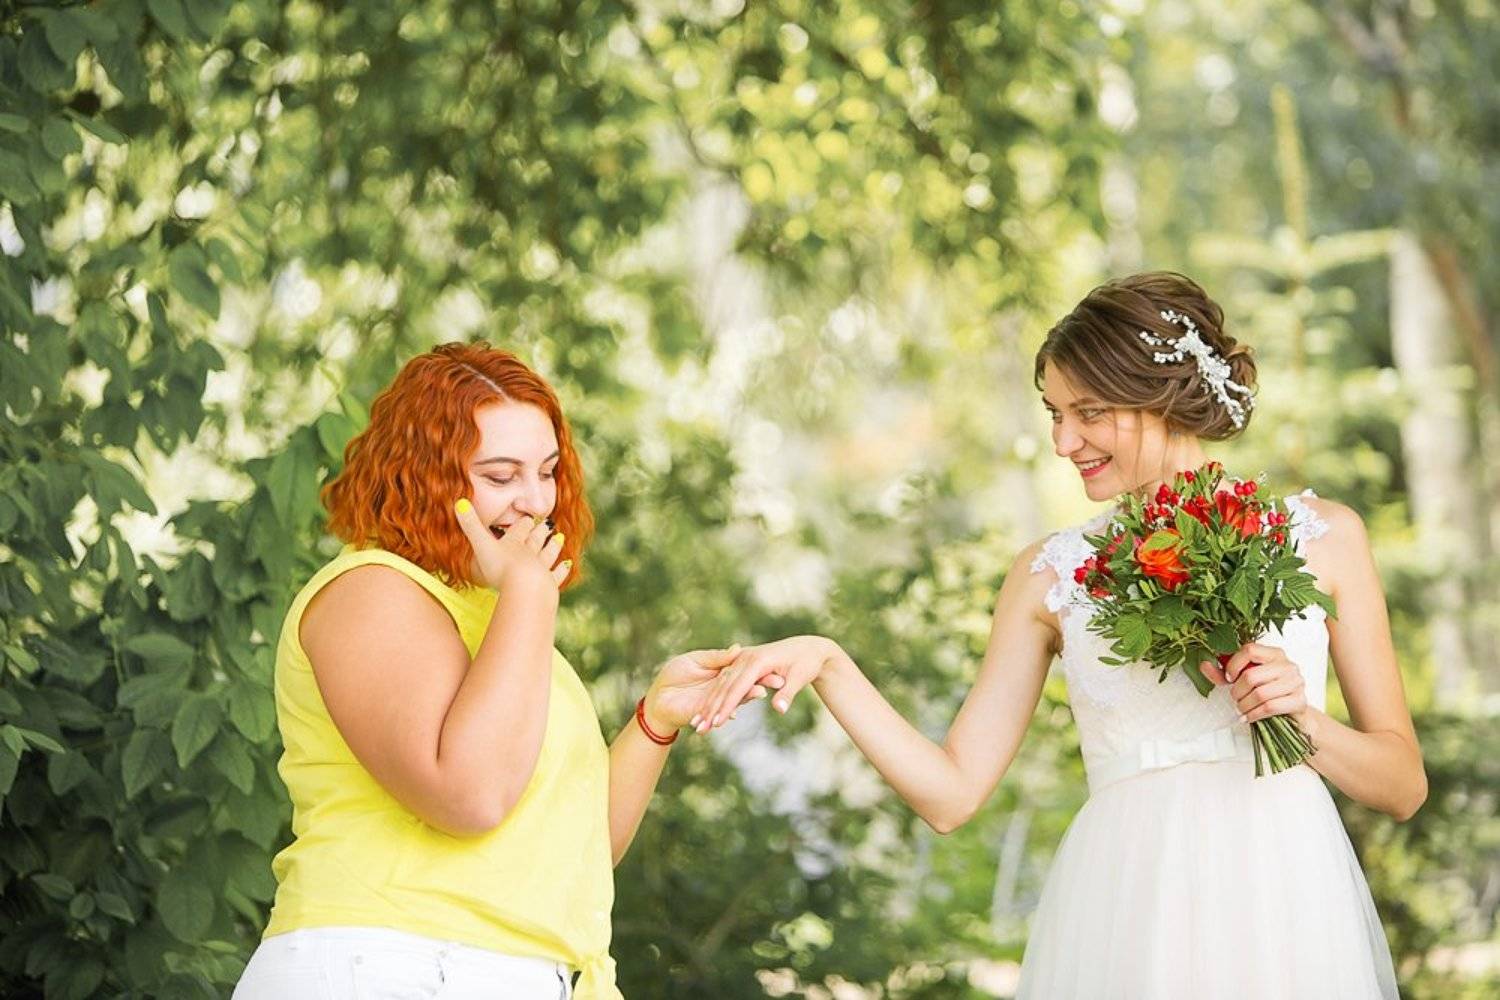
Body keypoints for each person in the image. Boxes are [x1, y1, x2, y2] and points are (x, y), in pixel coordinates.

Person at [694, 272, 1424, 998]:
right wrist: (829, 664)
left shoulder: (1324, 538)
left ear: (1163, 396)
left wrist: (1301, 721)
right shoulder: (1049, 577)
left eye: (1089, 412)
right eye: (1054, 413)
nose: (1062, 441)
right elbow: (950, 795)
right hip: (1127, 905)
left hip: (1284, 901)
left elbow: (1401, 786)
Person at [233, 343, 769, 1000]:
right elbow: (471, 798)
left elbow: (573, 850)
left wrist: (654, 720)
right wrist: (530, 595)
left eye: (547, 471)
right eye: (500, 476)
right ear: (421, 477)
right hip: (389, 962)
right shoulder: (371, 591)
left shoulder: (502, 618)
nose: (538, 502)